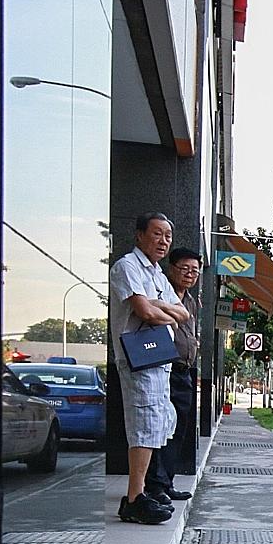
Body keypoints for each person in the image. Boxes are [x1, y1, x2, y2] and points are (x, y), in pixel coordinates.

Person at [109, 212, 190, 524]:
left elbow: (181, 313)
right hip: (138, 358)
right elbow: (144, 311)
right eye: (157, 234)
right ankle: (133, 499)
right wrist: (157, 309)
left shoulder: (156, 274)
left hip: (158, 359)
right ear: (139, 235)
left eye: (168, 236)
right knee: (143, 425)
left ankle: (144, 490)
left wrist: (159, 308)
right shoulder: (127, 266)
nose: (163, 241)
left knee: (158, 422)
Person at [145, 247, 202, 502]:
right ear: (172, 268)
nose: (191, 274)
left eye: (196, 271)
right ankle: (155, 485)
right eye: (185, 269)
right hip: (162, 369)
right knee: (159, 428)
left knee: (177, 429)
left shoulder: (191, 300)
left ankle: (166, 482)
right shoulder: (160, 292)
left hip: (184, 371)